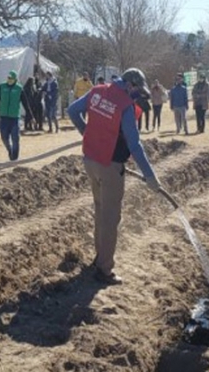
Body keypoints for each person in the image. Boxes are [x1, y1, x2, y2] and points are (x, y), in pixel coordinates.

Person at [68, 67, 162, 285]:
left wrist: (86, 131)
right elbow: (134, 144)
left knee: (100, 210)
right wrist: (150, 175)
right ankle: (104, 269)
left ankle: (99, 257)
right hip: (110, 165)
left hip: (90, 160)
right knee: (111, 218)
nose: (138, 96)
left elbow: (73, 110)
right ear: (130, 85)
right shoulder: (125, 105)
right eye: (137, 91)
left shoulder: (97, 91)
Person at [0, 70, 33, 160]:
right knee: (4, 137)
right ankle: (9, 149)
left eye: (11, 78)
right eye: (8, 78)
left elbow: (26, 103)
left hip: (14, 118)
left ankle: (14, 158)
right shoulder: (2, 87)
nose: (9, 80)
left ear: (15, 79)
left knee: (15, 138)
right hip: (4, 117)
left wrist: (31, 116)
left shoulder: (19, 89)